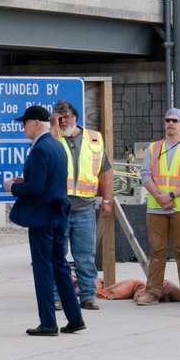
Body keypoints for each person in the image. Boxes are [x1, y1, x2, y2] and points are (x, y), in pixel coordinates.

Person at [7, 105, 85, 336]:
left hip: (43, 217)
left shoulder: (40, 148)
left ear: (34, 123)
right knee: (60, 266)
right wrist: (26, 181)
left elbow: (37, 188)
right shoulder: (57, 145)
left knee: (43, 269)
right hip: (59, 214)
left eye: (24, 124)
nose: (23, 128)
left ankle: (48, 322)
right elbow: (48, 181)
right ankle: (75, 317)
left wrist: (13, 186)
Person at [50, 100, 114, 311]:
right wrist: (52, 127)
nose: (62, 121)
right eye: (58, 117)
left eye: (66, 117)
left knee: (85, 256)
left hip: (85, 207)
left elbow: (105, 171)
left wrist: (106, 200)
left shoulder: (94, 139)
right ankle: (56, 296)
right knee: (57, 255)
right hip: (59, 206)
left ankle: (87, 296)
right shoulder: (52, 137)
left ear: (75, 117)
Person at [137, 108, 180, 307]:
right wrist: (159, 196)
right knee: (157, 251)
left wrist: (171, 195)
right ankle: (152, 292)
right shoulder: (154, 148)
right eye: (168, 120)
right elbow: (145, 174)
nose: (171, 124)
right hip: (157, 206)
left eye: (175, 120)